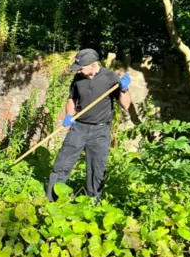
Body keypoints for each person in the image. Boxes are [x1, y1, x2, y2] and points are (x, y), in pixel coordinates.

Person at [46, 48, 131, 202]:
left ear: (93, 65)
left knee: (96, 169)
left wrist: (124, 90)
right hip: (78, 127)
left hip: (100, 130)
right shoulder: (78, 79)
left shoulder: (110, 78)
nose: (78, 71)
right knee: (62, 164)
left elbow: (126, 105)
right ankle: (51, 200)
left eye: (81, 68)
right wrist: (69, 114)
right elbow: (72, 98)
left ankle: (92, 203)